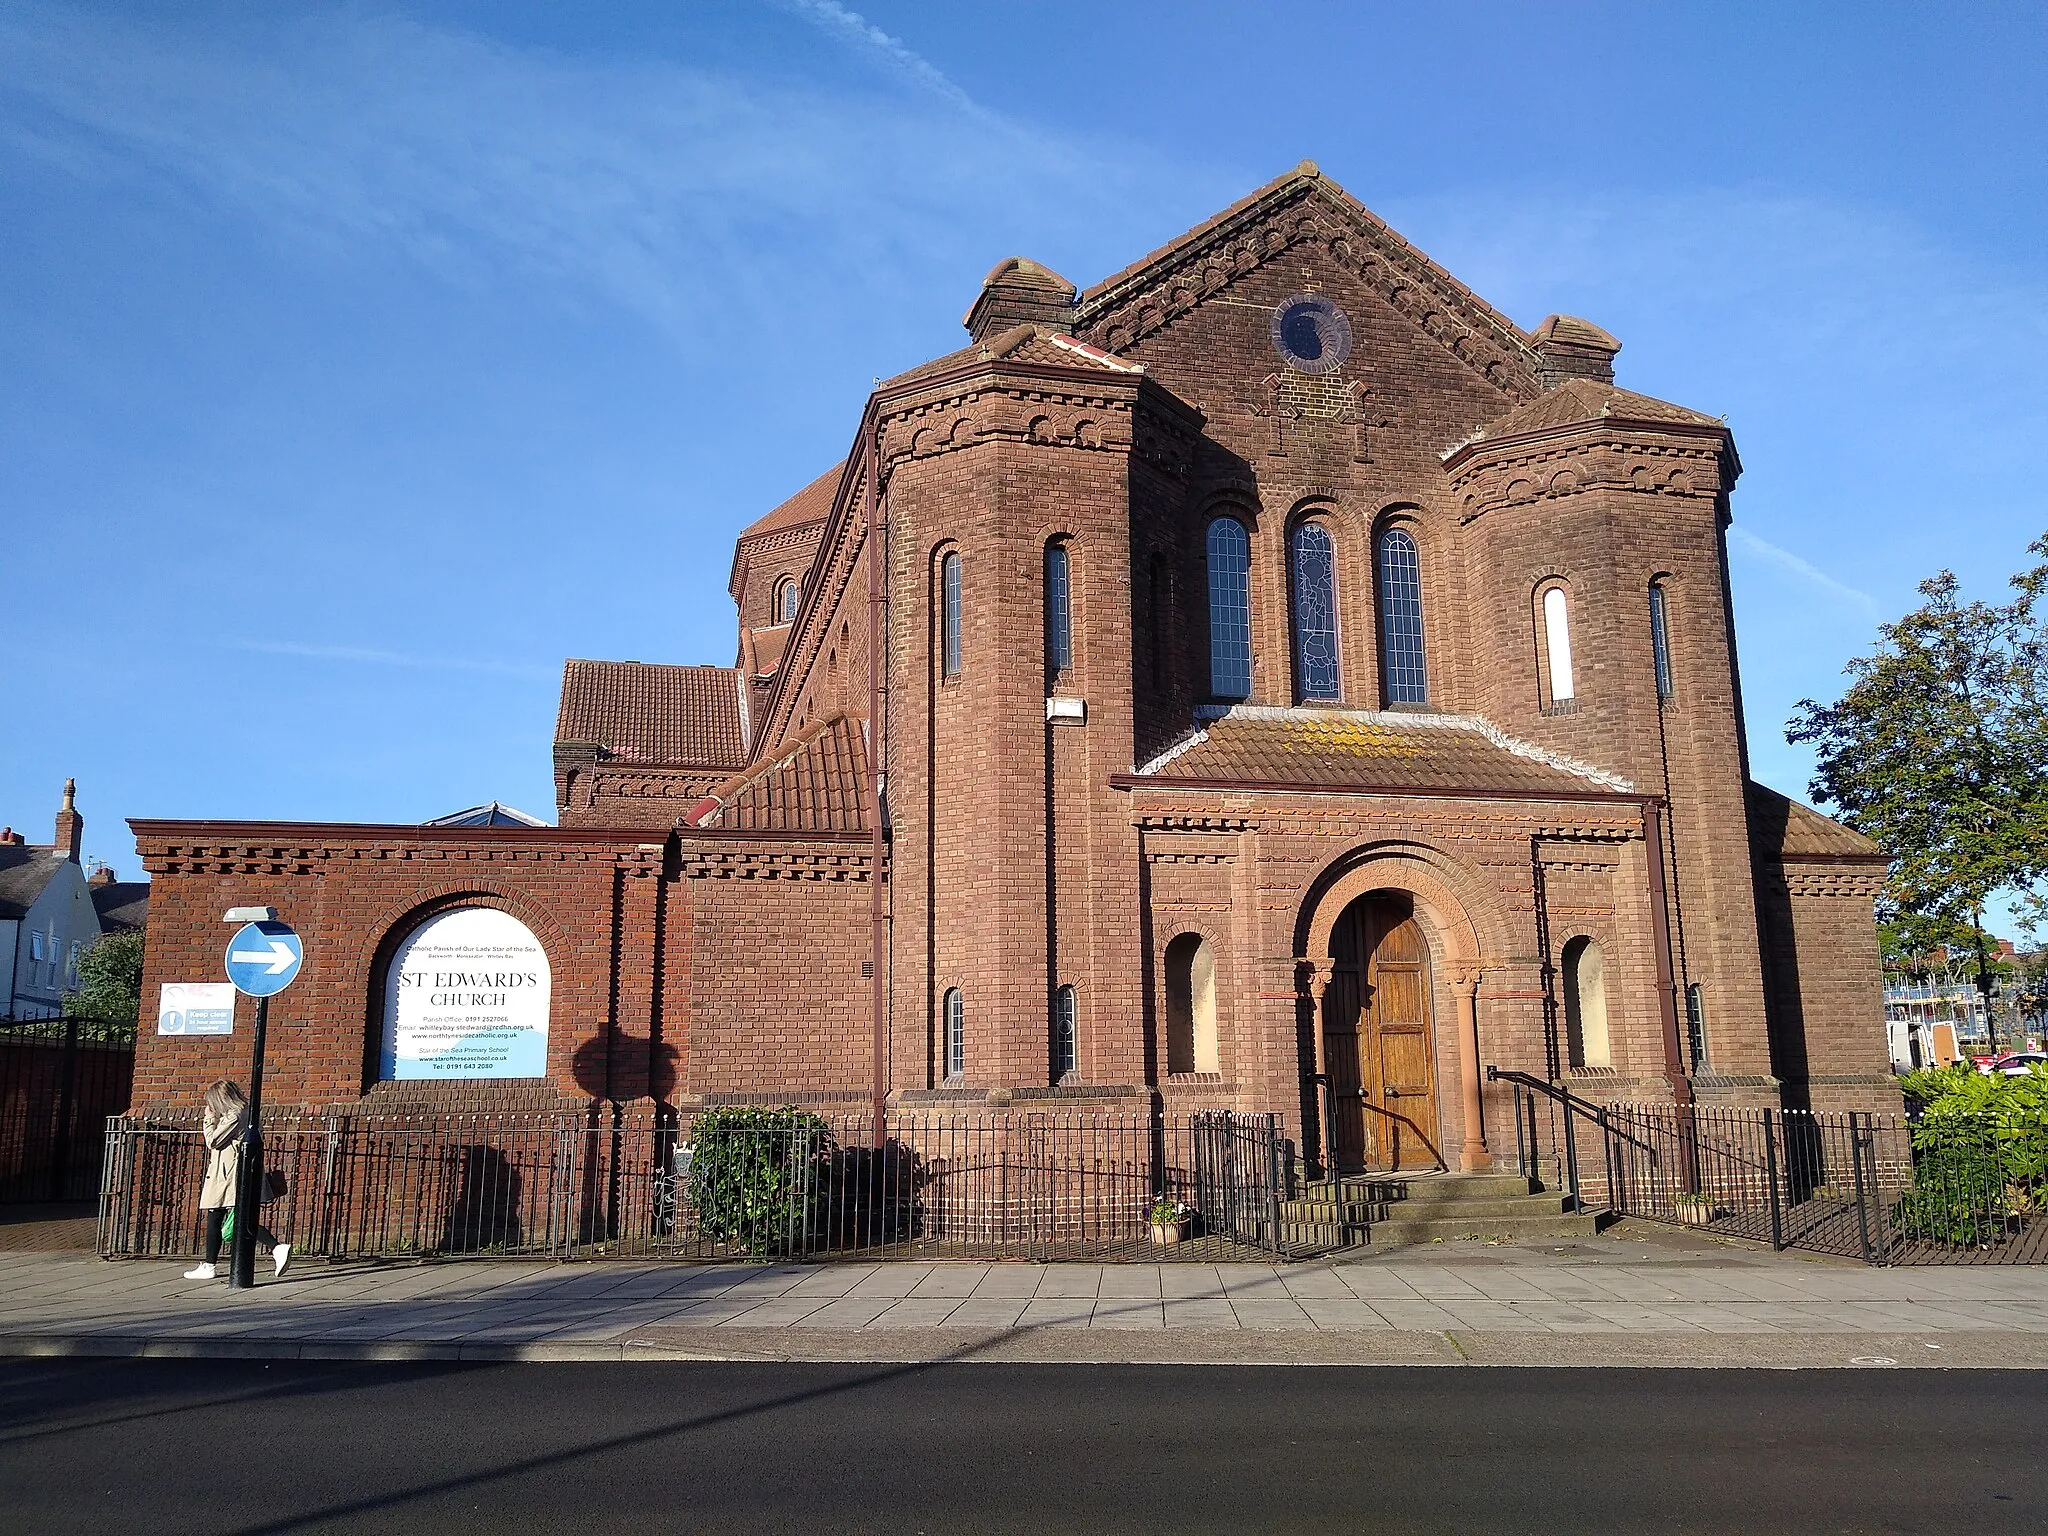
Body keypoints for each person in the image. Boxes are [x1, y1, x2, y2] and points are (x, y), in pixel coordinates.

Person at [183, 1079, 290, 1281]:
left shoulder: (233, 1116)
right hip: (235, 1171)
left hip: (227, 1174)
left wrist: (209, 1119)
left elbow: (213, 1141)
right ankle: (276, 1248)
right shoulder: (248, 1112)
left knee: (217, 1215)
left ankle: (210, 1265)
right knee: (241, 1219)